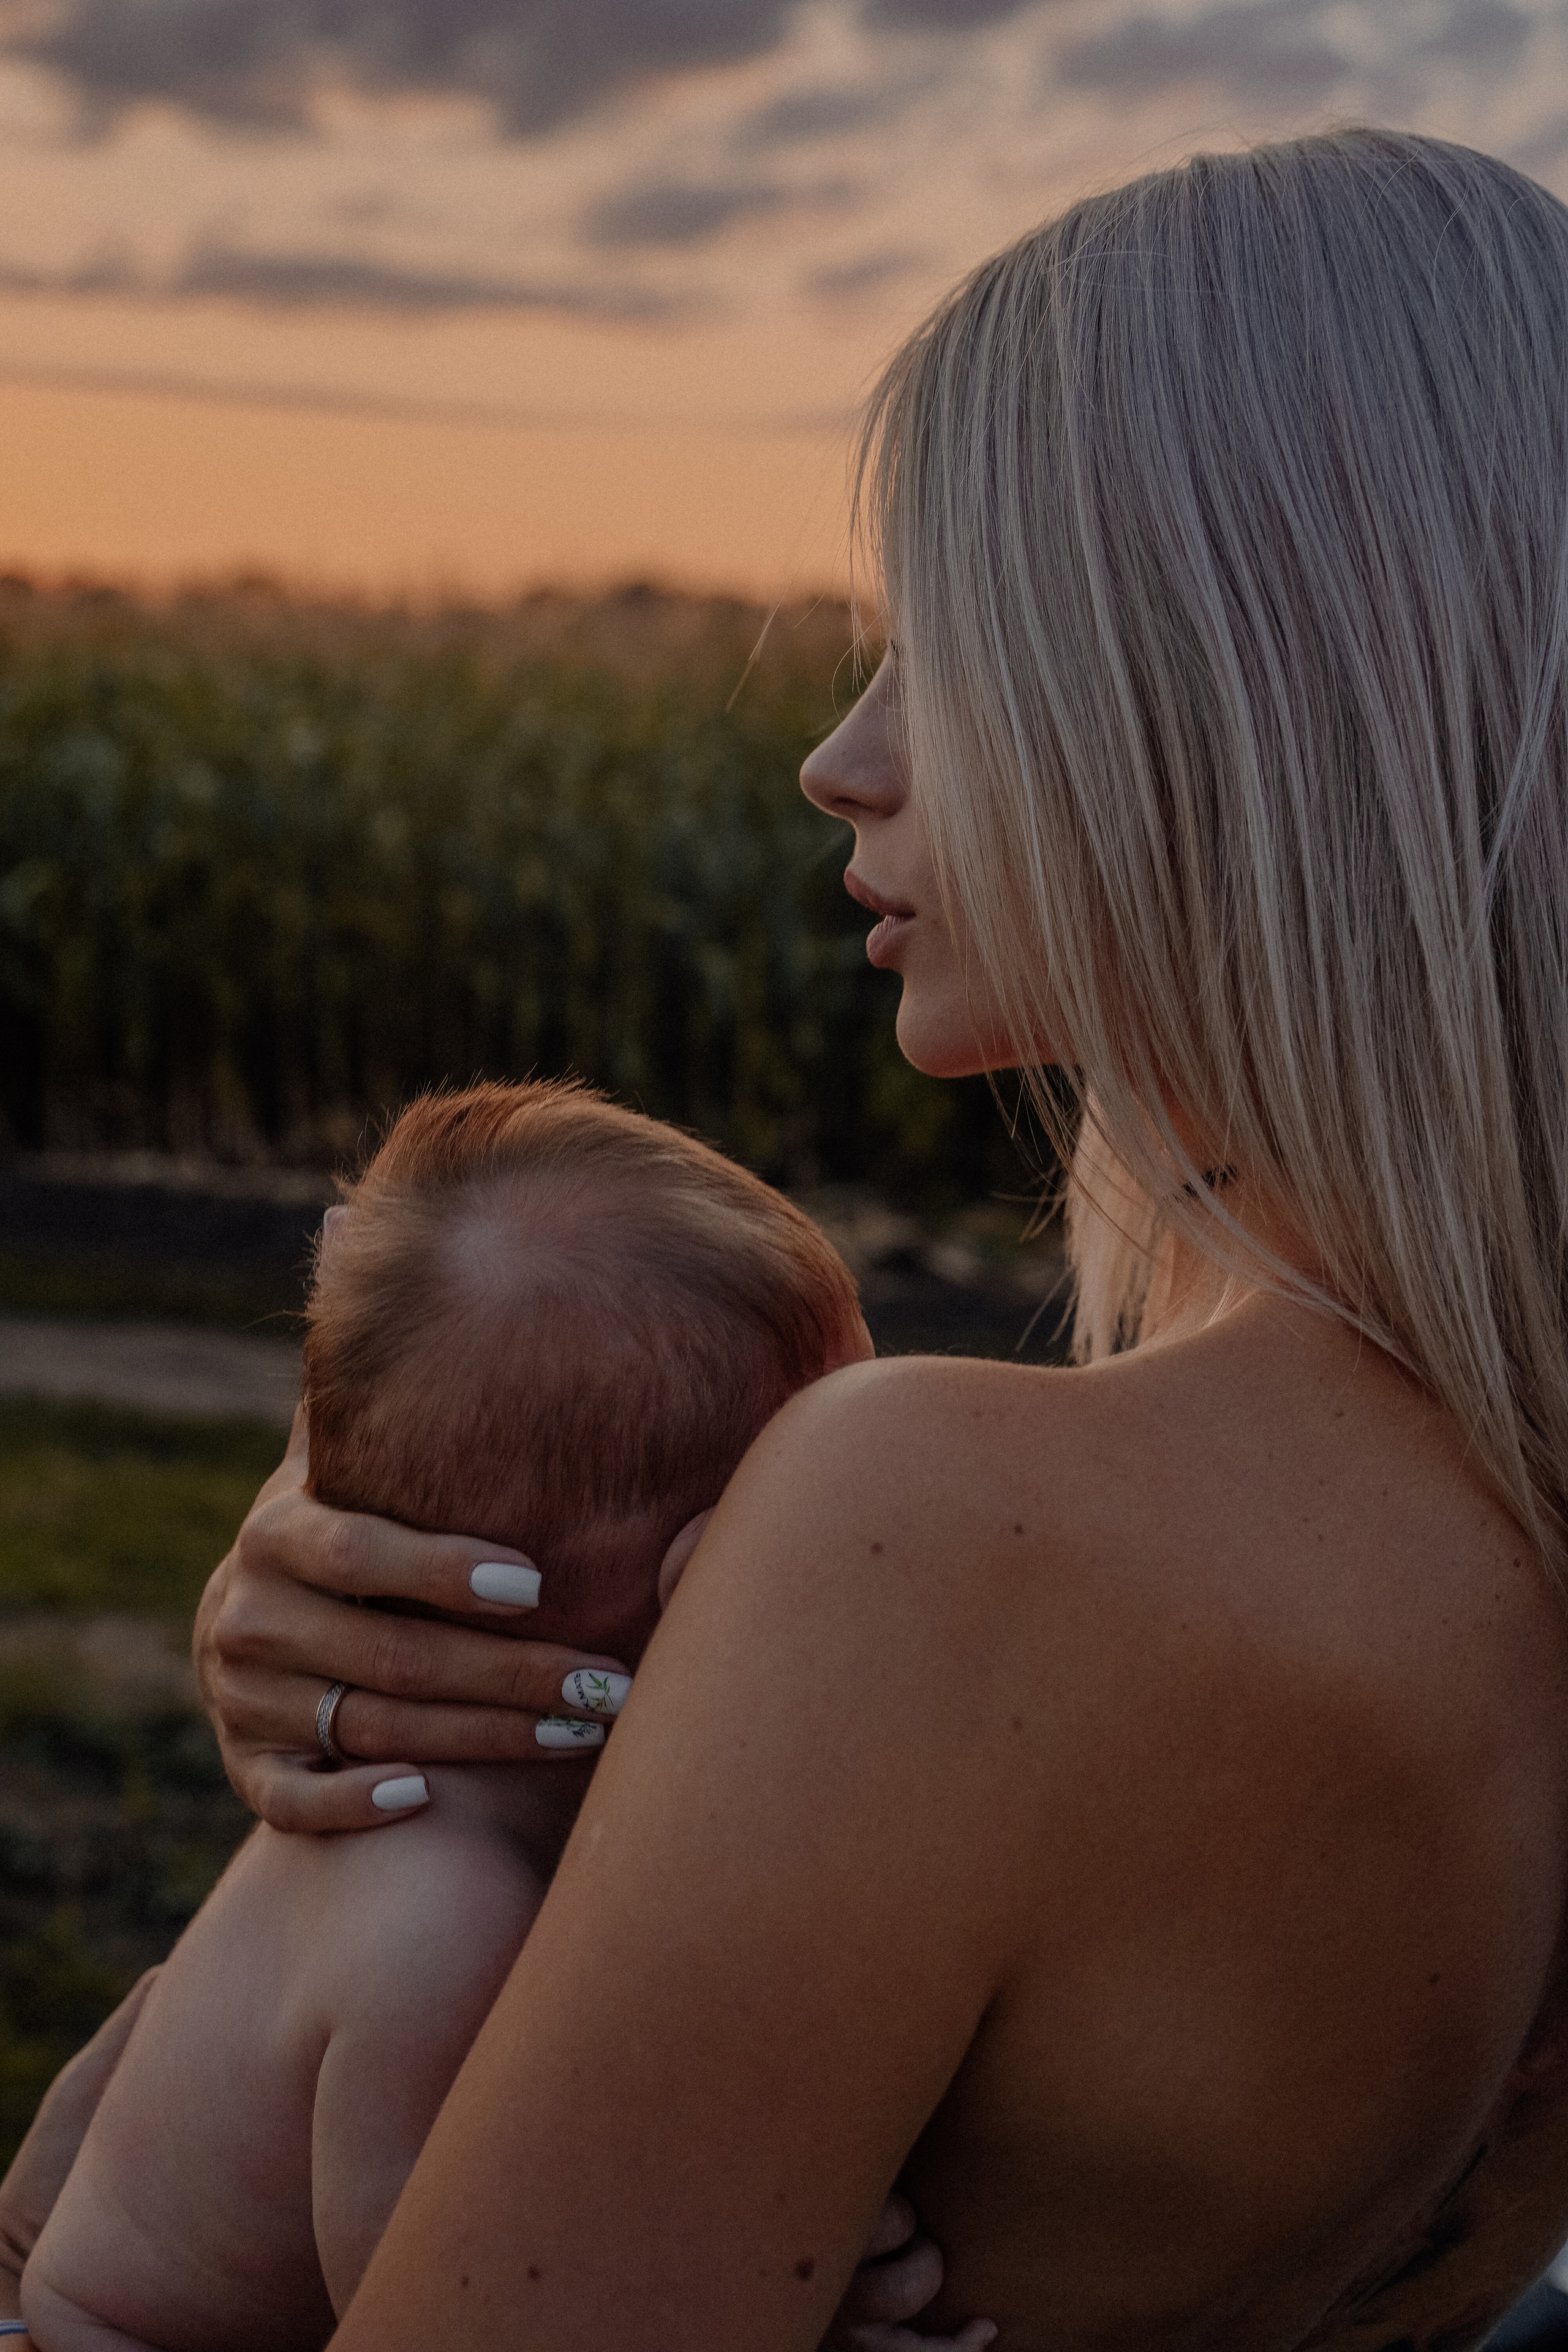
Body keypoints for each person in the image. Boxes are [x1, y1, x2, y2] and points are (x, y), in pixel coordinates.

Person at [24, 123, 1568, 2349]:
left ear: (1235, 704)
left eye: (950, 649)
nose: (841, 760)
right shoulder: (1473, 1516)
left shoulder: (941, 1524)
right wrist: (433, 1624)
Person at [19, 1082, 988, 2352]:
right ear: (719, 1563)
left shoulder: (474, 1808)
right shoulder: (442, 1930)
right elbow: (462, 2307)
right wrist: (772, 2283)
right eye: (856, 1468)